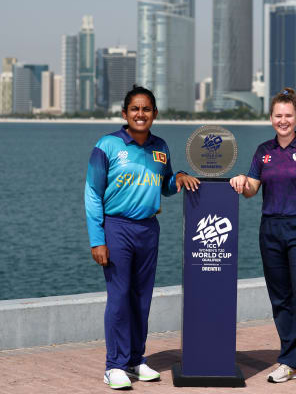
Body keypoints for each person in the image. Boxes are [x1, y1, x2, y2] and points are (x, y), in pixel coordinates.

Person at [85, 85, 200, 390]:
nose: (140, 114)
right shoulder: (107, 145)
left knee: (141, 299)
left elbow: (164, 185)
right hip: (116, 227)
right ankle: (115, 365)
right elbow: (92, 193)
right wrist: (98, 239)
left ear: (154, 114)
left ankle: (136, 360)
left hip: (148, 229)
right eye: (135, 109)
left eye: (146, 109)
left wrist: (180, 179)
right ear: (125, 114)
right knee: (120, 297)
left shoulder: (160, 147)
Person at [230, 88, 296, 392]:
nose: (283, 120)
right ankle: (290, 361)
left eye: (288, 115)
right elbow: (252, 190)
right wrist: (241, 182)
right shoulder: (263, 151)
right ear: (271, 118)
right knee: (281, 299)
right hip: (271, 230)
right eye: (278, 116)